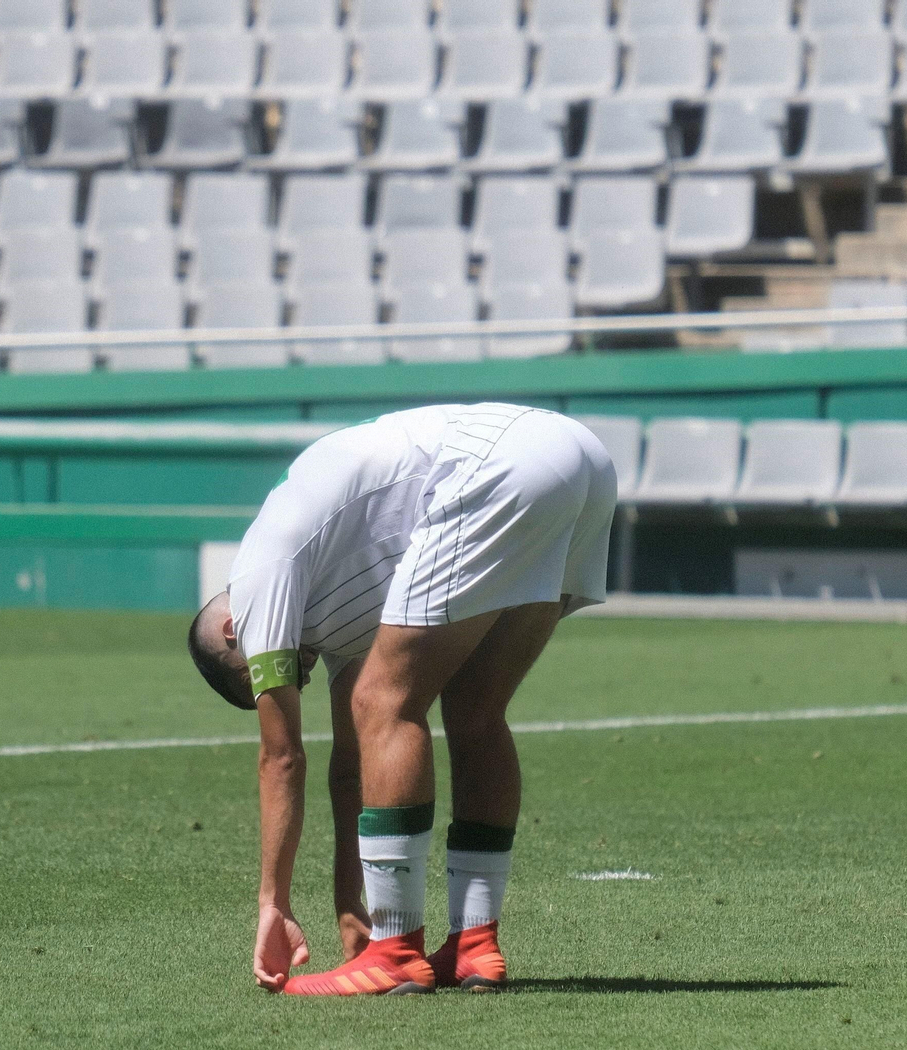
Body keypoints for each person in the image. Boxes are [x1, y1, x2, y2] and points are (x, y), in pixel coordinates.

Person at [188, 403, 615, 995]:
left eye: (266, 676)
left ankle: (396, 954)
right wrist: (347, 903)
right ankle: (474, 946)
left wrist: (273, 903)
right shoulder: (326, 598)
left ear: (236, 631)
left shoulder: (261, 579)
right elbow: (351, 763)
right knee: (473, 711)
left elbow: (282, 757)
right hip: (583, 460)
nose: (295, 680)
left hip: (495, 463)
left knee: (383, 701)